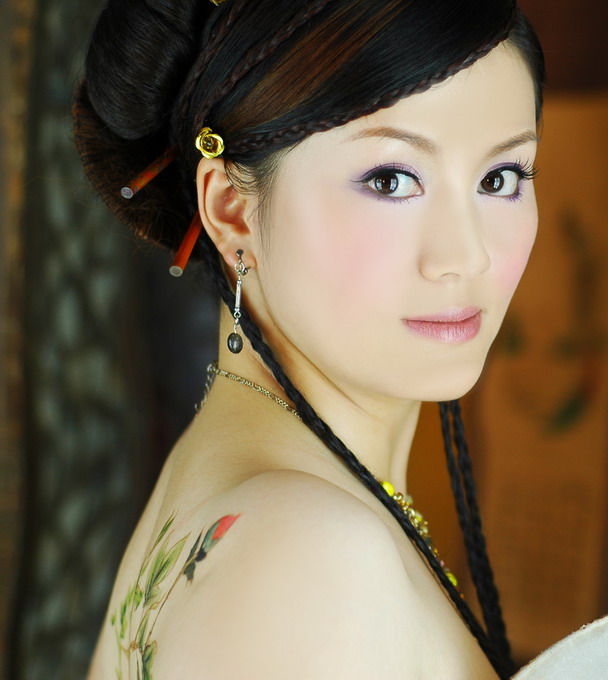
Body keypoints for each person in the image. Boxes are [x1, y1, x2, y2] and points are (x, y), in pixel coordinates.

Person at [73, 0, 545, 677]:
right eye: (391, 180)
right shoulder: (313, 550)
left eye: (501, 179)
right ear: (231, 209)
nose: (465, 256)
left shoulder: (245, 483)